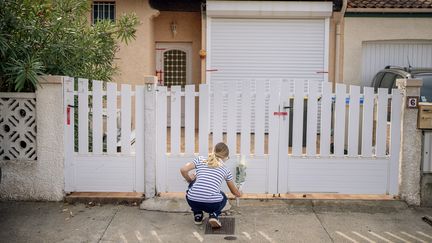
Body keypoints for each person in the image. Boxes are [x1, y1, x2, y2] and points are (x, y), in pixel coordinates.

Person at [180, 142, 242, 228]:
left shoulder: (200, 159)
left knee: (192, 187)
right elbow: (234, 191)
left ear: (213, 151)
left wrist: (189, 180)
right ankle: (214, 215)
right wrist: (239, 193)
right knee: (223, 196)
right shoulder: (225, 169)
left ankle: (198, 215)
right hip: (212, 204)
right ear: (225, 157)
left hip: (192, 201)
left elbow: (183, 169)